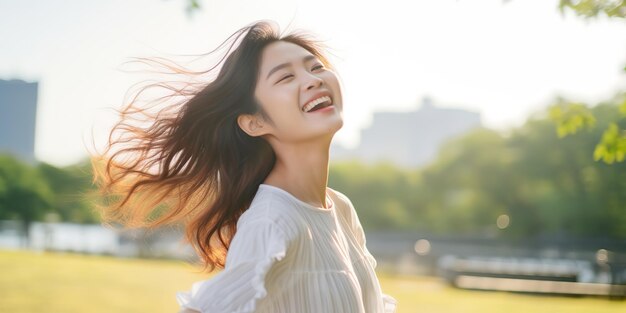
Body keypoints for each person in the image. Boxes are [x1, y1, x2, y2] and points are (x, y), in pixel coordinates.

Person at [91, 20, 397, 313]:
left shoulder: (340, 209)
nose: (313, 79)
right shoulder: (272, 222)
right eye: (285, 77)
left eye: (316, 67)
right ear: (255, 122)